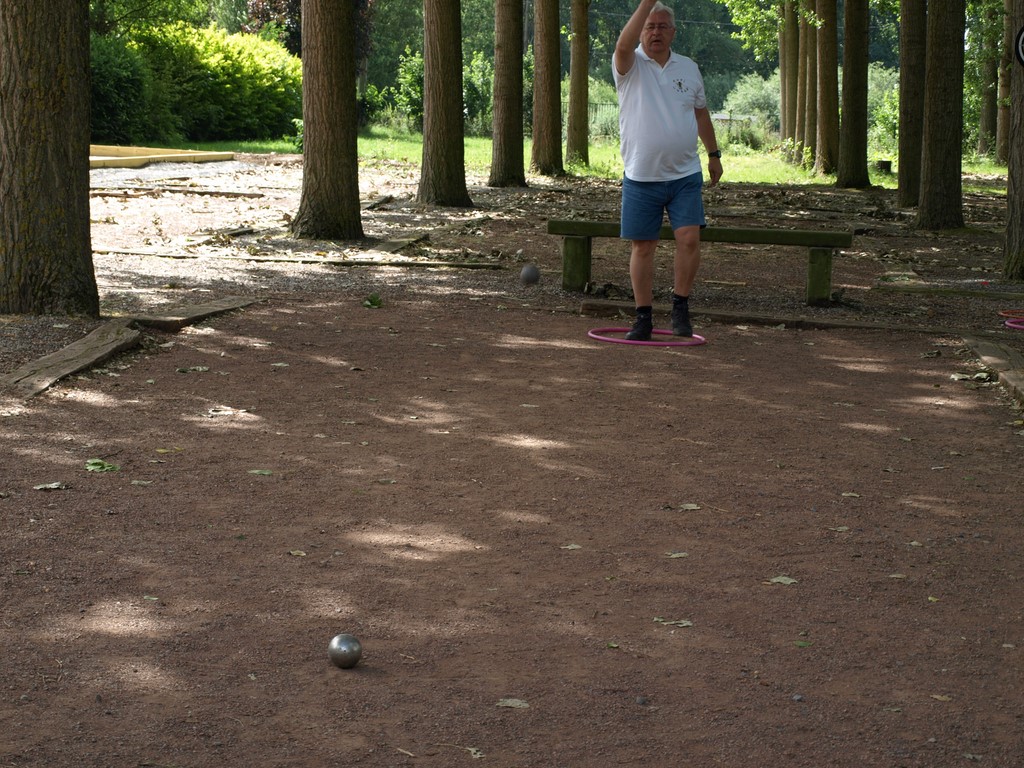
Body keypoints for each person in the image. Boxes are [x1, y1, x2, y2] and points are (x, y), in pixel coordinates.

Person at [613, 0, 722, 340]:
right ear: (640, 31)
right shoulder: (629, 65)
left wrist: (714, 154)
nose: (656, 32)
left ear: (673, 32)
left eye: (662, 26)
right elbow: (621, 45)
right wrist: (646, 4)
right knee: (643, 247)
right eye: (650, 26)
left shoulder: (688, 68)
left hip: (684, 175)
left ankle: (680, 307)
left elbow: (701, 113)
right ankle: (643, 317)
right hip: (641, 175)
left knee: (689, 239)